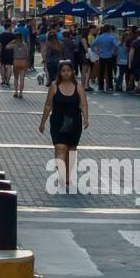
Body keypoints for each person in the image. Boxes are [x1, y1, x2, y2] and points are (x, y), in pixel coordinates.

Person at [38, 60, 89, 192]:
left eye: (68, 70)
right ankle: (62, 177)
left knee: (71, 150)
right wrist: (42, 122)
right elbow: (48, 105)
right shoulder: (54, 86)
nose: (66, 73)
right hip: (58, 122)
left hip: (74, 123)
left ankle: (68, 177)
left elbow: (83, 103)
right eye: (63, 71)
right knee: (60, 148)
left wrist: (86, 118)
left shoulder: (78, 86)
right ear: (60, 73)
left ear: (72, 72)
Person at [92, 25, 119, 92]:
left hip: (101, 56)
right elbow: (116, 46)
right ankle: (110, 86)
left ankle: (101, 86)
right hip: (109, 56)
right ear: (109, 30)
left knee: (101, 72)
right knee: (110, 72)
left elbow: (92, 45)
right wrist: (113, 51)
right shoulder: (111, 37)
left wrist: (96, 51)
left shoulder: (99, 37)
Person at [11, 20, 30, 99]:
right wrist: (28, 63)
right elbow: (27, 55)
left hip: (16, 61)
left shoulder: (14, 44)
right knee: (22, 78)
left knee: (16, 78)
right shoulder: (25, 45)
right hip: (23, 61)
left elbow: (7, 47)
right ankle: (21, 93)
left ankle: (15, 92)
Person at [0, 20, 16, 87]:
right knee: (9, 66)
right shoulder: (13, 35)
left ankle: (3, 81)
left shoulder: (1, 35)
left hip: (3, 52)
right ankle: (7, 82)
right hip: (10, 52)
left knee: (2, 65)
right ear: (9, 27)